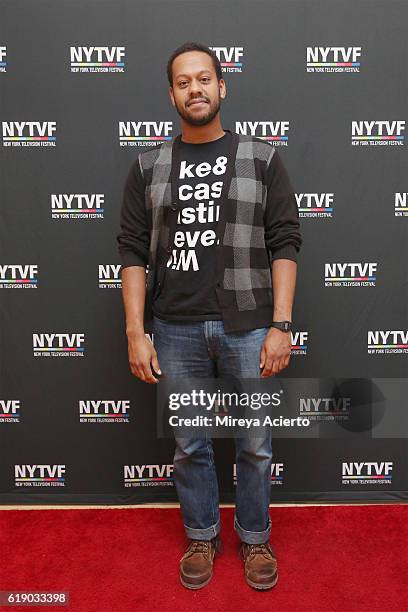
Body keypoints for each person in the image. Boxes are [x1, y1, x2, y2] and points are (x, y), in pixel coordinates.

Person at [116, 41, 302, 591]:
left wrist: (282, 324)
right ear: (171, 93)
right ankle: (201, 534)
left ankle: (254, 538)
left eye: (204, 79)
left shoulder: (261, 158)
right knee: (190, 444)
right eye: (182, 81)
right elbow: (130, 250)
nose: (194, 89)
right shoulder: (149, 166)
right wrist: (135, 330)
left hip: (248, 326)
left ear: (223, 87)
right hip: (173, 328)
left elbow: (286, 241)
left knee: (255, 443)